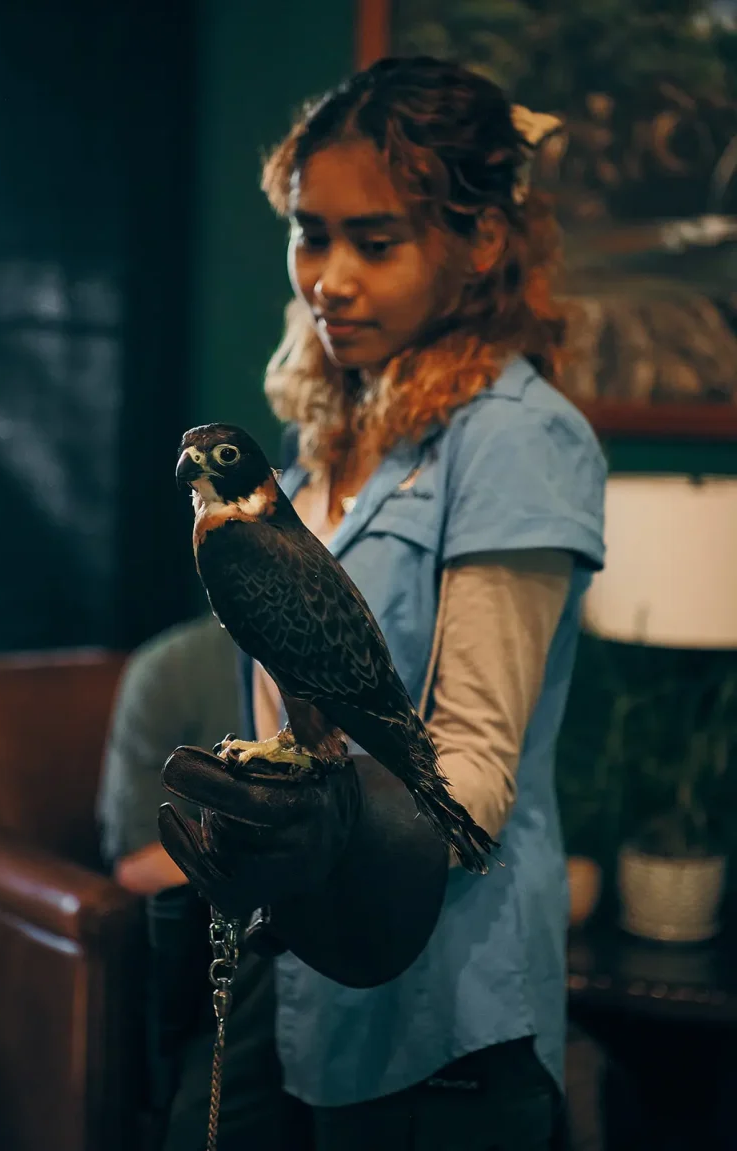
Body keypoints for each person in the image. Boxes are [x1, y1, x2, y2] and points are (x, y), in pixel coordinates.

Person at [159, 55, 607, 1151]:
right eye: (311, 232)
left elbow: (475, 764)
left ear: (481, 243)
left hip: (443, 1015)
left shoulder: (517, 440)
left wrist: (331, 832)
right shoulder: (317, 448)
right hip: (299, 978)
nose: (330, 277)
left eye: (378, 239)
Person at [96, 614, 311, 1150]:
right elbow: (138, 860)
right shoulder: (171, 669)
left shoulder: (357, 662)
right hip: (215, 943)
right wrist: (271, 871)